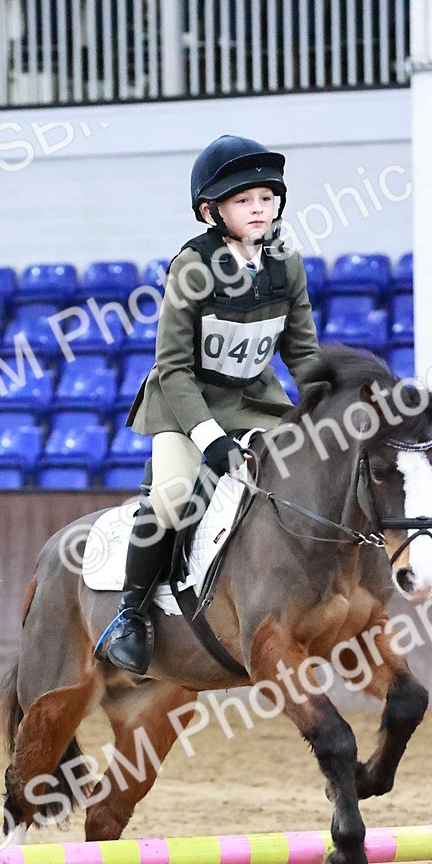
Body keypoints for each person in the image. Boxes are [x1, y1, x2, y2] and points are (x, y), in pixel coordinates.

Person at [95, 134, 321, 676]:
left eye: (267, 197)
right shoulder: (191, 268)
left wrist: (326, 404)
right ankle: (130, 616)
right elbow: (173, 367)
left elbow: (303, 352)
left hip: (255, 402)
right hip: (185, 405)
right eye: (244, 200)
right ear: (210, 212)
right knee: (173, 498)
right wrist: (209, 439)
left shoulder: (286, 262)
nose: (259, 208)